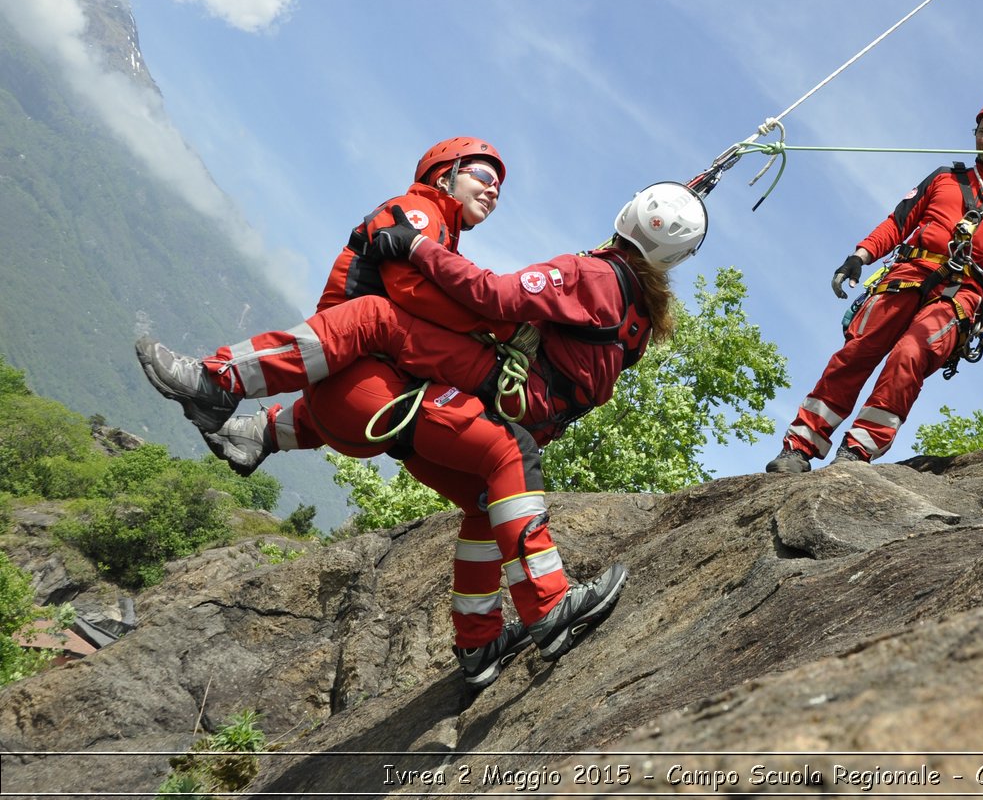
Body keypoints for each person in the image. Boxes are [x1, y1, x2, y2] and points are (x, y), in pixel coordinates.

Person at [135, 182, 708, 689]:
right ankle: (478, 644)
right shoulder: (639, 318)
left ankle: (219, 382)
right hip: (534, 411)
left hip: (505, 388)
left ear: (627, 216)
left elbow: (496, 296)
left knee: (374, 321)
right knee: (490, 502)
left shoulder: (592, 273)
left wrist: (415, 248)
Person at [136, 136, 512, 474]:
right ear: (445, 176)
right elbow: (408, 288)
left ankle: (259, 431)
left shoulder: (445, 239)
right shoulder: (418, 211)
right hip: (345, 349)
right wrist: (484, 320)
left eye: (498, 187)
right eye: (482, 176)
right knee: (373, 319)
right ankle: (219, 385)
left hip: (361, 368)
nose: (492, 190)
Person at [766, 96, 983, 473]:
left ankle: (857, 450)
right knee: (856, 353)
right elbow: (898, 222)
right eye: (981, 130)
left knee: (911, 353)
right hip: (906, 278)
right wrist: (859, 256)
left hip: (960, 293)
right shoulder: (945, 178)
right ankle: (799, 447)